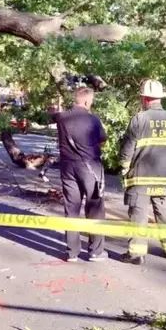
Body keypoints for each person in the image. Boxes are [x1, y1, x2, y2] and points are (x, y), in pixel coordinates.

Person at [117, 79, 166, 265]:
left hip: (140, 179)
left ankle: (136, 254)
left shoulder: (139, 119)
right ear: (159, 98)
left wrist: (124, 168)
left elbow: (127, 149)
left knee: (138, 215)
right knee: (165, 213)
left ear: (145, 99)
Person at [54, 87, 108, 262]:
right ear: (86, 101)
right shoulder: (93, 120)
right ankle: (95, 251)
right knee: (95, 208)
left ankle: (72, 252)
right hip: (90, 167)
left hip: (67, 167)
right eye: (91, 100)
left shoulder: (61, 118)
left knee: (71, 207)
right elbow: (103, 141)